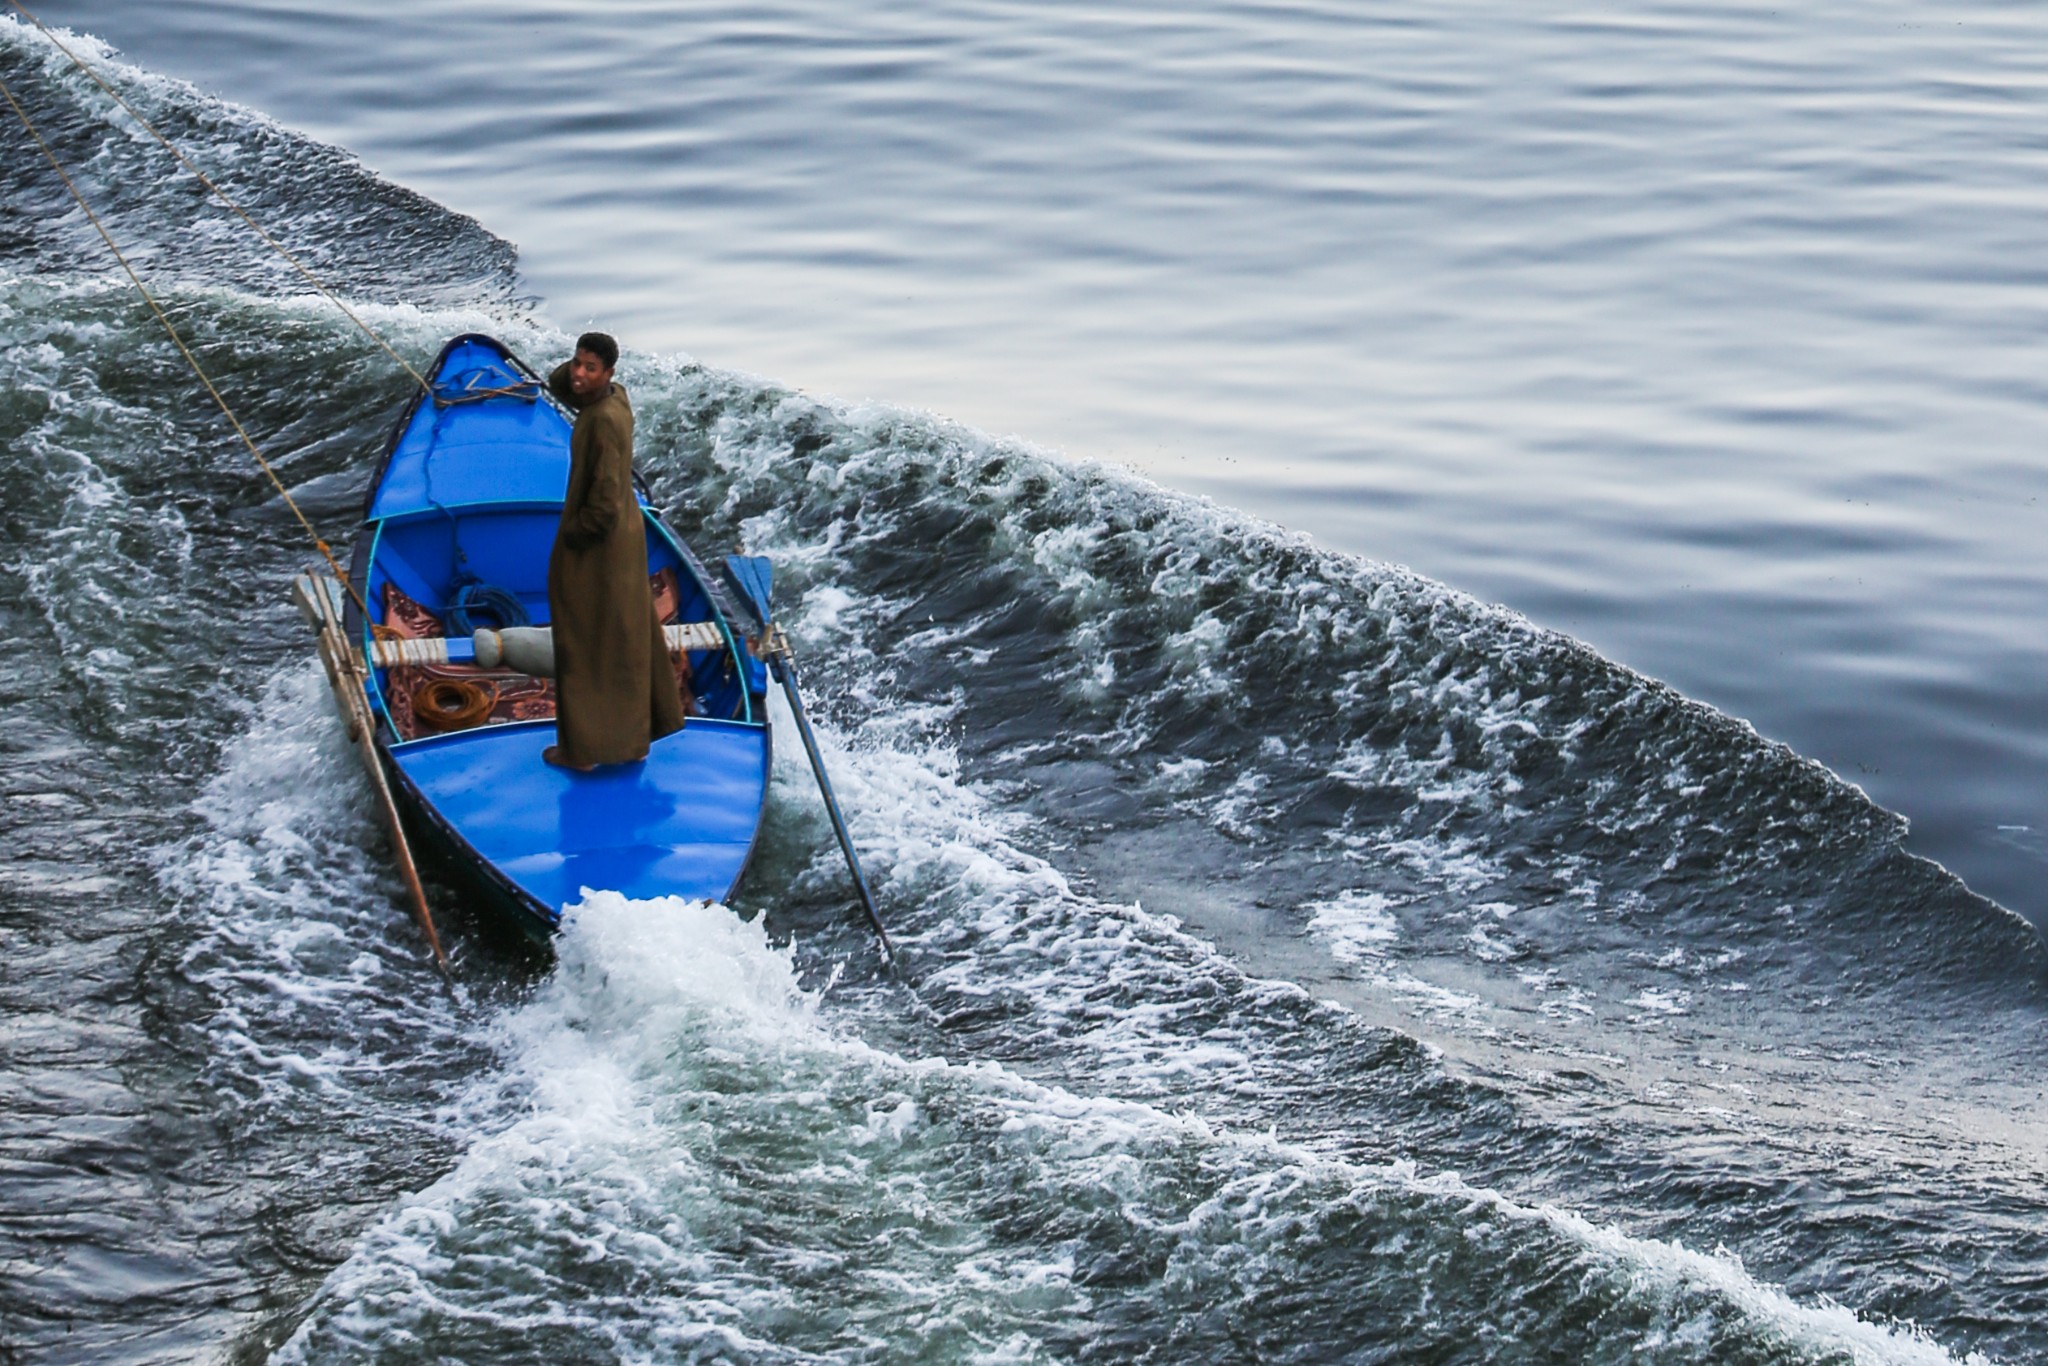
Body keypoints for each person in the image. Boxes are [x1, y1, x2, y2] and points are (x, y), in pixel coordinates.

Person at [542, 331, 685, 770]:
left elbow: (601, 501)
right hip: (628, 538)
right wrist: (581, 373)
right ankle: (637, 739)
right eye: (577, 364)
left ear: (610, 373)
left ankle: (582, 751)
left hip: (600, 543)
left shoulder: (601, 419)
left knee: (583, 638)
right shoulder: (618, 400)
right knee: (628, 634)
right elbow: (557, 383)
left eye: (590, 368)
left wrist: (574, 538)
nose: (579, 375)